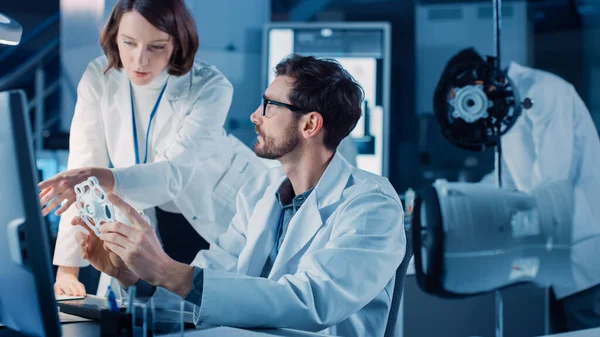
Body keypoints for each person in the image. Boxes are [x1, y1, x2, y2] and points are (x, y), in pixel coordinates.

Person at [73, 54, 406, 336]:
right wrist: (134, 277)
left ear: (310, 125)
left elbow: (312, 301)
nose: (255, 116)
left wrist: (164, 269)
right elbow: (211, 284)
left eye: (269, 106)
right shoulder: (262, 193)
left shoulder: (370, 204)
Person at [39, 0, 263, 297]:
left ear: (178, 44)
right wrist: (68, 269)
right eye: (129, 43)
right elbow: (83, 165)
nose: (139, 60)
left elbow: (174, 175)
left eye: (156, 47)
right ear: (114, 36)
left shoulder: (211, 86)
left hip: (212, 213)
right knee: (137, 308)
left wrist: (104, 177)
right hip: (146, 213)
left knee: (209, 305)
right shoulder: (99, 76)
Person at [440, 48, 600, 333]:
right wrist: (451, 200)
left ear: (480, 80)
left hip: (583, 255)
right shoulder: (503, 109)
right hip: (554, 260)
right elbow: (506, 178)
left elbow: (550, 183)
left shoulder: (545, 91)